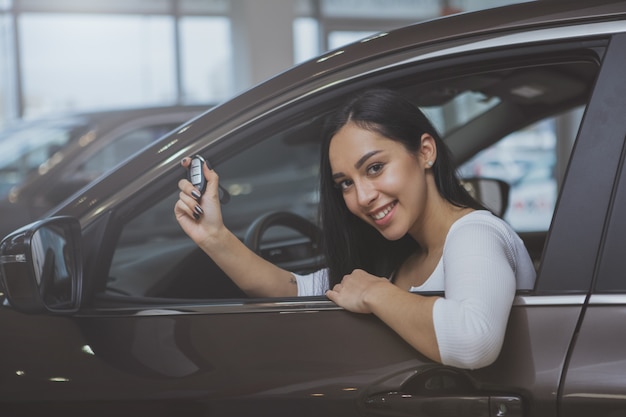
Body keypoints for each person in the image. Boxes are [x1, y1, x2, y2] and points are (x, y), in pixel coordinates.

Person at [175, 88, 536, 369]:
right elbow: (292, 289)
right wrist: (214, 236)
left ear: (425, 151)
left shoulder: (474, 233)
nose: (362, 196)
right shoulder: (399, 256)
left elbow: (474, 341)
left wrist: (376, 294)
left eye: (375, 168)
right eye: (345, 183)